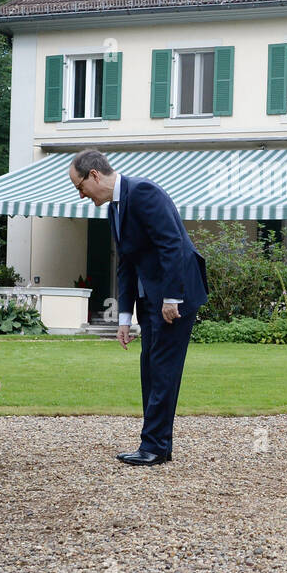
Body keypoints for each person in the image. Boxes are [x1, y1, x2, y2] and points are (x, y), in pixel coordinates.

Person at [69, 149, 208, 465]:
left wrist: (172, 298)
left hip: (176, 295)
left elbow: (172, 243)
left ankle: (155, 447)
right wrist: (123, 317)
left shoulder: (143, 192)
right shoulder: (113, 210)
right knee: (151, 368)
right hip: (151, 299)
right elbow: (127, 264)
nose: (81, 195)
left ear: (94, 175)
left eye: (80, 187)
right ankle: (157, 444)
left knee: (163, 370)